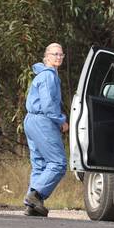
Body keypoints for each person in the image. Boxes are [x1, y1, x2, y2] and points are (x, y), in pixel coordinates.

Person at [23, 43, 69, 217]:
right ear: (46, 56)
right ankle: (35, 195)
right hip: (43, 120)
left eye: (60, 54)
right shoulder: (48, 76)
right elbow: (48, 104)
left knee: (40, 164)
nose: (58, 57)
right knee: (58, 163)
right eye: (54, 54)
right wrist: (61, 120)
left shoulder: (43, 74)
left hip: (31, 120)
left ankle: (33, 205)